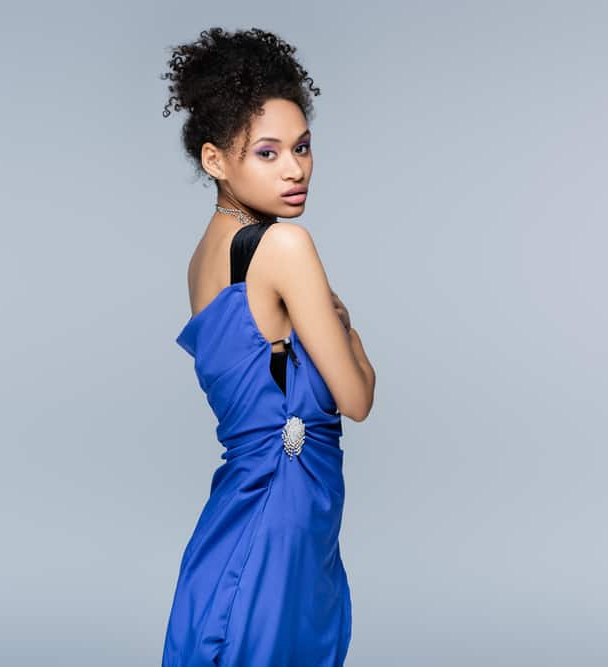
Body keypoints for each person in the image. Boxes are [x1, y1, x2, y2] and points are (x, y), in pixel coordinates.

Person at [158, 26, 376, 666]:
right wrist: (350, 331)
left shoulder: (204, 258)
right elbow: (356, 398)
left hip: (246, 499)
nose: (294, 168)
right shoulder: (284, 247)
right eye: (267, 152)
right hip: (285, 501)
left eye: (302, 148)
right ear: (214, 159)